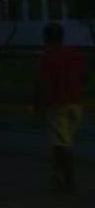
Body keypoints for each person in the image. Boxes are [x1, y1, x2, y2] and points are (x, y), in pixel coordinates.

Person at [36, 22, 83, 194]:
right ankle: (58, 174)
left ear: (47, 38)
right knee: (60, 141)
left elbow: (44, 84)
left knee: (63, 144)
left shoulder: (47, 57)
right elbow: (82, 75)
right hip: (75, 105)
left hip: (57, 106)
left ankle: (68, 180)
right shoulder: (73, 54)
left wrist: (41, 107)